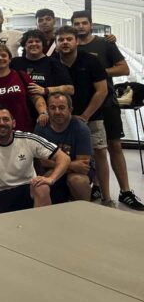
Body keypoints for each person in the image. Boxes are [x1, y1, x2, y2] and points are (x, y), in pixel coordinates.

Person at [72, 10, 144, 210]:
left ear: (91, 24)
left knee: (114, 146)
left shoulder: (105, 44)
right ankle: (97, 186)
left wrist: (97, 72)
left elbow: (123, 69)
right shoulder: (70, 45)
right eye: (76, 23)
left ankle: (125, 191)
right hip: (83, 105)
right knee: (93, 149)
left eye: (84, 23)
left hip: (106, 103)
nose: (80, 26)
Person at [55, 25, 110, 204]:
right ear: (56, 43)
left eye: (69, 39)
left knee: (99, 153)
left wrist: (85, 116)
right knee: (66, 156)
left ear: (77, 41)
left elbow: (102, 90)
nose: (65, 42)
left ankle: (106, 197)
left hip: (92, 117)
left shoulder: (91, 61)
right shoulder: (53, 62)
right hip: (61, 119)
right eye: (61, 40)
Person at [34, 93, 93, 203]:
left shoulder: (81, 129)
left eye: (61, 107)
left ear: (70, 109)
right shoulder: (41, 126)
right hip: (52, 171)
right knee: (42, 182)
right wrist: (70, 165)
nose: (57, 112)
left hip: (75, 174)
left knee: (77, 180)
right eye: (52, 108)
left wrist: (53, 164)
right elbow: (41, 161)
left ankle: (86, 209)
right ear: (47, 109)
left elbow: (82, 166)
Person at [0, 44, 47, 132]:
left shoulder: (21, 76)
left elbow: (36, 98)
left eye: (4, 55)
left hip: (22, 130)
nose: (0, 58)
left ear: (9, 59)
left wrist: (43, 113)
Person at [10, 29, 73, 101]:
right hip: (20, 106)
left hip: (46, 106)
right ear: (24, 45)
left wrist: (46, 90)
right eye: (30, 42)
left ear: (43, 45)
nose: (34, 44)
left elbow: (70, 89)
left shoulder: (54, 63)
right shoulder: (15, 62)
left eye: (37, 41)